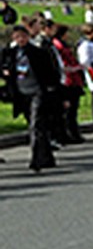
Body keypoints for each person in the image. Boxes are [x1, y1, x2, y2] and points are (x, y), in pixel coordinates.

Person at [1, 23, 60, 171]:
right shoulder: (10, 53)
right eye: (17, 37)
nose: (20, 39)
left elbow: (51, 73)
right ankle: (47, 156)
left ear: (28, 37)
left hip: (37, 91)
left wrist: (52, 89)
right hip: (21, 94)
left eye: (23, 36)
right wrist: (5, 73)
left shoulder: (38, 53)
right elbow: (3, 69)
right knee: (36, 126)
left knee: (36, 125)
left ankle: (36, 159)